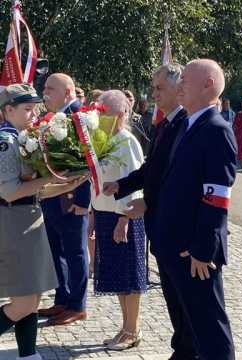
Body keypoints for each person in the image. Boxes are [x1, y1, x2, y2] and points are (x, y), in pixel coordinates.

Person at [103, 63, 198, 359]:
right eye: (153, 87)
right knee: (174, 301)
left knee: (188, 306)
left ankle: (188, 351)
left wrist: (144, 201)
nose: (152, 94)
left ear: (179, 89)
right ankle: (181, 350)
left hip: (180, 231)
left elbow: (179, 181)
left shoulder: (186, 124)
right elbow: (151, 170)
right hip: (163, 230)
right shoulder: (165, 124)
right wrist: (120, 185)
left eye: (159, 88)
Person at [0, 84, 81, 360]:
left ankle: (28, 353)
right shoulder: (6, 140)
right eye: (26, 108)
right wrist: (50, 179)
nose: (33, 113)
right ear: (8, 110)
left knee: (32, 297)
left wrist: (68, 182)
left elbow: (35, 191)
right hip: (13, 223)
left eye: (34, 107)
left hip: (27, 218)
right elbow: (9, 191)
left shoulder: (22, 138)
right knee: (23, 301)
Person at [87, 90, 147, 350]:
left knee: (129, 274)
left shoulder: (127, 141)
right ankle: (126, 327)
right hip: (104, 212)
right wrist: (92, 212)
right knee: (118, 276)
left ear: (122, 114)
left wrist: (124, 218)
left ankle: (132, 330)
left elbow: (134, 183)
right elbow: (97, 180)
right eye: (99, 113)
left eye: (107, 113)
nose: (102, 118)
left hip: (123, 215)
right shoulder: (101, 140)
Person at [38, 73, 91, 326]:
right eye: (45, 88)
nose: (45, 92)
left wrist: (83, 201)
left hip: (71, 199)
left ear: (68, 92)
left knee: (75, 253)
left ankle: (77, 305)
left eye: (51, 88)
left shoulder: (79, 117)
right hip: (52, 197)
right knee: (56, 251)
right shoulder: (52, 117)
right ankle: (63, 298)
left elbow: (87, 161)